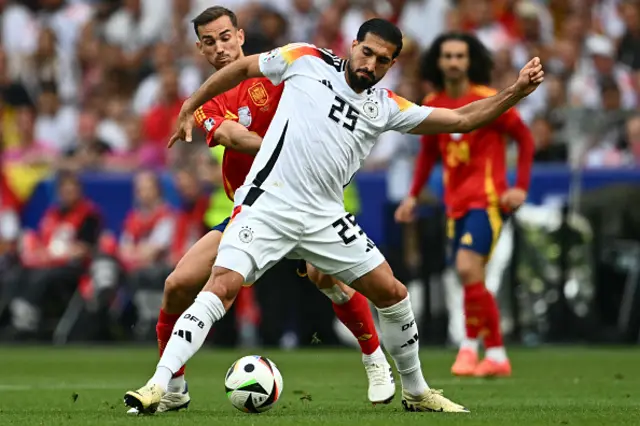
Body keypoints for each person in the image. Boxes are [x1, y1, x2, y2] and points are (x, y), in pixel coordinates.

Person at [125, 18, 543, 414]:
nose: (371, 64)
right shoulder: (305, 59)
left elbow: (463, 118)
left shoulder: (385, 106)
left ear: (392, 64)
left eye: (383, 60)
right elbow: (243, 68)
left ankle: (415, 391)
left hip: (325, 217)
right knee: (221, 285)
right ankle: (160, 385)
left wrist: (516, 91)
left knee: (394, 294)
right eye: (367, 52)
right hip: (267, 206)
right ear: (353, 46)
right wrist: (189, 105)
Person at [136, 7, 394, 414]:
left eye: (225, 37)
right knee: (177, 286)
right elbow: (229, 134)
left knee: (325, 275)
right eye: (209, 42)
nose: (220, 48)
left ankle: (375, 359)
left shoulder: (278, 68)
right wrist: (283, 148)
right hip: (254, 210)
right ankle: (175, 388)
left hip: (309, 204)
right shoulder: (207, 96)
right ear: (199, 48)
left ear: (240, 36)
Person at [395, 33, 535, 378]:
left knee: (467, 268)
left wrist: (520, 187)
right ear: (438, 62)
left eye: (460, 56)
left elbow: (525, 138)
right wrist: (413, 195)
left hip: (487, 201)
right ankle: (482, 353)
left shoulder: (489, 100)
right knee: (469, 275)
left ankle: (485, 351)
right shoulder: (433, 101)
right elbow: (428, 153)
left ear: (470, 61)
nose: (454, 62)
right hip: (454, 204)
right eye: (448, 56)